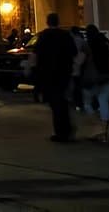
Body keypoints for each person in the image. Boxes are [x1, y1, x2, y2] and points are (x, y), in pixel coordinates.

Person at [33, 12, 78, 142]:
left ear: (47, 22)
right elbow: (74, 52)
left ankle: (60, 132)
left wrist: (34, 70)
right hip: (64, 74)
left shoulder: (43, 36)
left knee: (55, 104)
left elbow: (35, 54)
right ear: (58, 22)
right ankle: (66, 130)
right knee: (63, 102)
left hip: (48, 75)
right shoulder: (65, 36)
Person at [80, 24, 109, 142]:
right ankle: (104, 131)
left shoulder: (88, 45)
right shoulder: (105, 44)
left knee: (87, 103)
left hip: (92, 79)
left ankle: (97, 126)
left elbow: (82, 61)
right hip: (106, 78)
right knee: (103, 103)